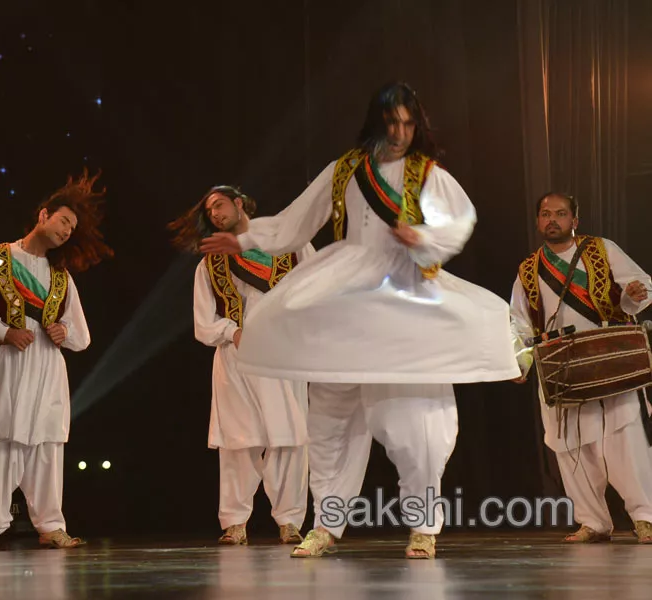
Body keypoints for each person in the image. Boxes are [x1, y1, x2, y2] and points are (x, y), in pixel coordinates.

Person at [200, 82, 519, 559]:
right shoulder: (343, 170)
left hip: (406, 295)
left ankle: (423, 526)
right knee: (331, 418)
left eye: (410, 123)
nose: (401, 132)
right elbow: (293, 224)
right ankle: (327, 525)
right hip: (346, 293)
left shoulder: (427, 174)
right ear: (376, 121)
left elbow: (460, 222)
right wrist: (245, 240)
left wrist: (425, 237)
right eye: (393, 122)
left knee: (416, 422)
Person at [0, 170, 112, 551]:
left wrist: (63, 332)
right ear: (44, 215)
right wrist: (4, 332)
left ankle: (51, 525)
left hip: (46, 368)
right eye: (64, 221)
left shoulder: (61, 277)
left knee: (46, 445)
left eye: (72, 229)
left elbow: (81, 334)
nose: (66, 232)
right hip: (6, 364)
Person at [170, 185, 311, 545]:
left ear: (238, 202)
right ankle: (234, 522)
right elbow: (204, 323)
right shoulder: (211, 263)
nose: (215, 214)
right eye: (209, 212)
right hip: (236, 359)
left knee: (290, 438)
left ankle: (290, 520)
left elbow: (317, 290)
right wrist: (232, 333)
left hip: (283, 355)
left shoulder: (289, 244)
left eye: (218, 205)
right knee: (238, 441)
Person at [510, 192, 652, 544]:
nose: (552, 219)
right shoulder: (528, 269)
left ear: (575, 220)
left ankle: (646, 517)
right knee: (570, 445)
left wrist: (633, 294)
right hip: (561, 364)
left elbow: (641, 286)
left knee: (625, 439)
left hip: (608, 357)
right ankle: (594, 521)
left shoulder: (601, 249)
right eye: (545, 213)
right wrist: (519, 361)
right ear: (538, 220)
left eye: (560, 213)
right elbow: (518, 323)